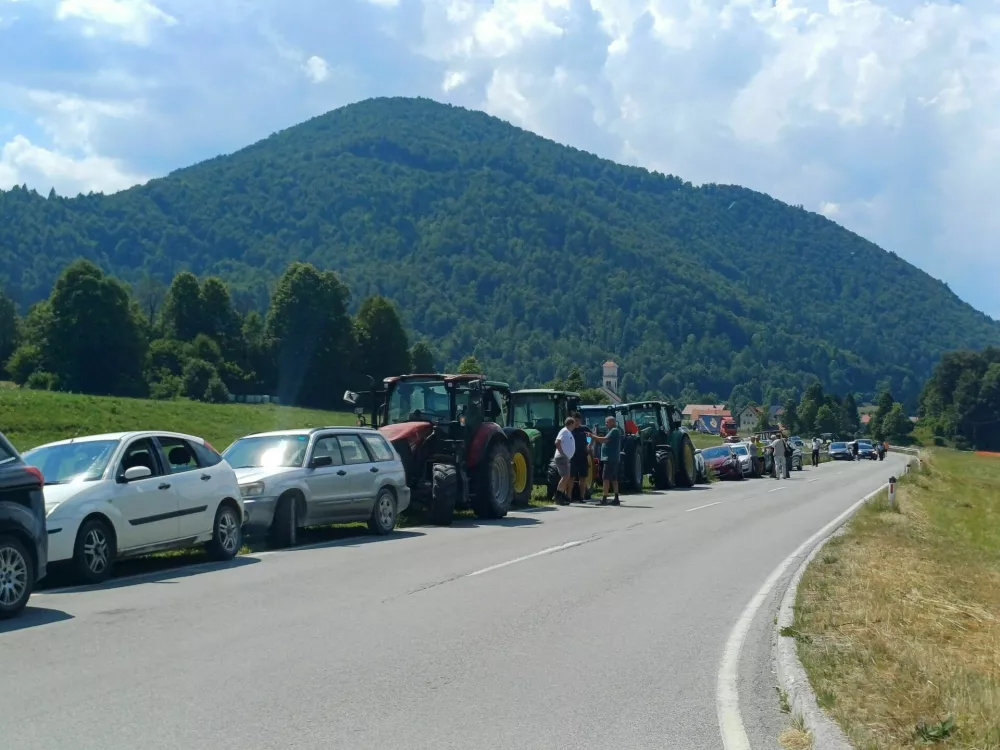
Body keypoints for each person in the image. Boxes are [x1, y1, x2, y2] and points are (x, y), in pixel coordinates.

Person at [587, 415, 622, 505]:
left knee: (605, 479)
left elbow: (604, 440)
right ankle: (616, 498)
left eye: (607, 422)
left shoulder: (614, 430)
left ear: (613, 422)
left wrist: (592, 436)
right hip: (613, 458)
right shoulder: (612, 431)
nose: (606, 424)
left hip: (609, 458)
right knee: (614, 479)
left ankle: (604, 499)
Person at [553, 416, 577, 505]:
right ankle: (558, 495)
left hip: (565, 458)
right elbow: (557, 442)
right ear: (571, 423)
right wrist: (562, 453)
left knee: (566, 477)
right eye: (574, 424)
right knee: (565, 476)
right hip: (561, 457)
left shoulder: (568, 432)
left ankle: (561, 494)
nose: (574, 426)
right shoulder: (564, 431)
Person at [570, 411, 592, 502]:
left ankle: (582, 497)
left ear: (580, 421)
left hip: (583, 456)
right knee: (571, 477)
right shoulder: (569, 430)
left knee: (582, 477)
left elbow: (591, 437)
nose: (576, 422)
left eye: (577, 420)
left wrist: (589, 445)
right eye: (574, 420)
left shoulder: (584, 429)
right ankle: (568, 497)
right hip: (572, 457)